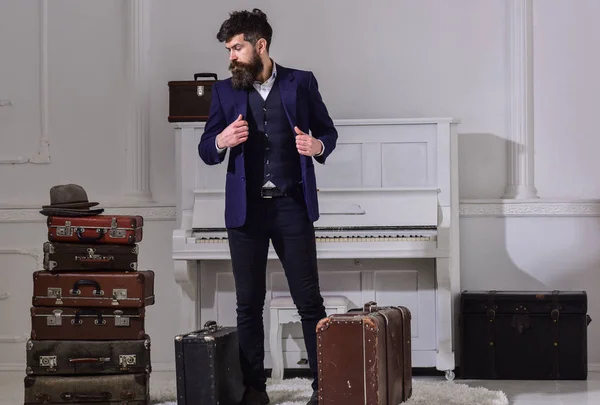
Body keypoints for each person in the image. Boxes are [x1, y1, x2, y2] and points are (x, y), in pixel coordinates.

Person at [198, 8, 338, 405]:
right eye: (228, 49)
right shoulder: (225, 92)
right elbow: (206, 149)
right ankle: (254, 391)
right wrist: (222, 140)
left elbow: (328, 131)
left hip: (291, 206)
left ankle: (322, 387)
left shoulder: (301, 83)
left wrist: (319, 146)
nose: (231, 57)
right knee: (247, 304)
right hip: (246, 213)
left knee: (309, 301)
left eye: (237, 48)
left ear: (261, 46)